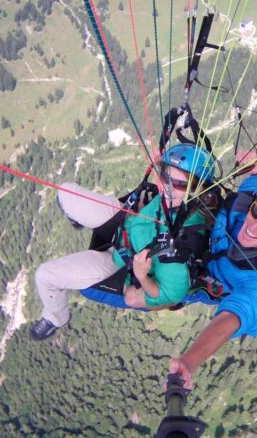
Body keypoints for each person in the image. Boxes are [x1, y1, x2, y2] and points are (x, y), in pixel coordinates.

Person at [30, 143, 216, 340]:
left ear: (199, 189)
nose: (166, 187)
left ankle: (55, 317)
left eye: (177, 183)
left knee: (45, 276)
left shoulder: (181, 250)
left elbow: (169, 297)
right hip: (126, 222)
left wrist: (141, 277)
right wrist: (160, 163)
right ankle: (78, 218)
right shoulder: (178, 198)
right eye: (164, 176)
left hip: (119, 264)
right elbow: (167, 187)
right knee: (66, 192)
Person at [168, 149, 257, 388]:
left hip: (203, 275)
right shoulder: (251, 198)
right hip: (201, 230)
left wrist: (188, 363)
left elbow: (233, 316)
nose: (253, 227)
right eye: (256, 213)